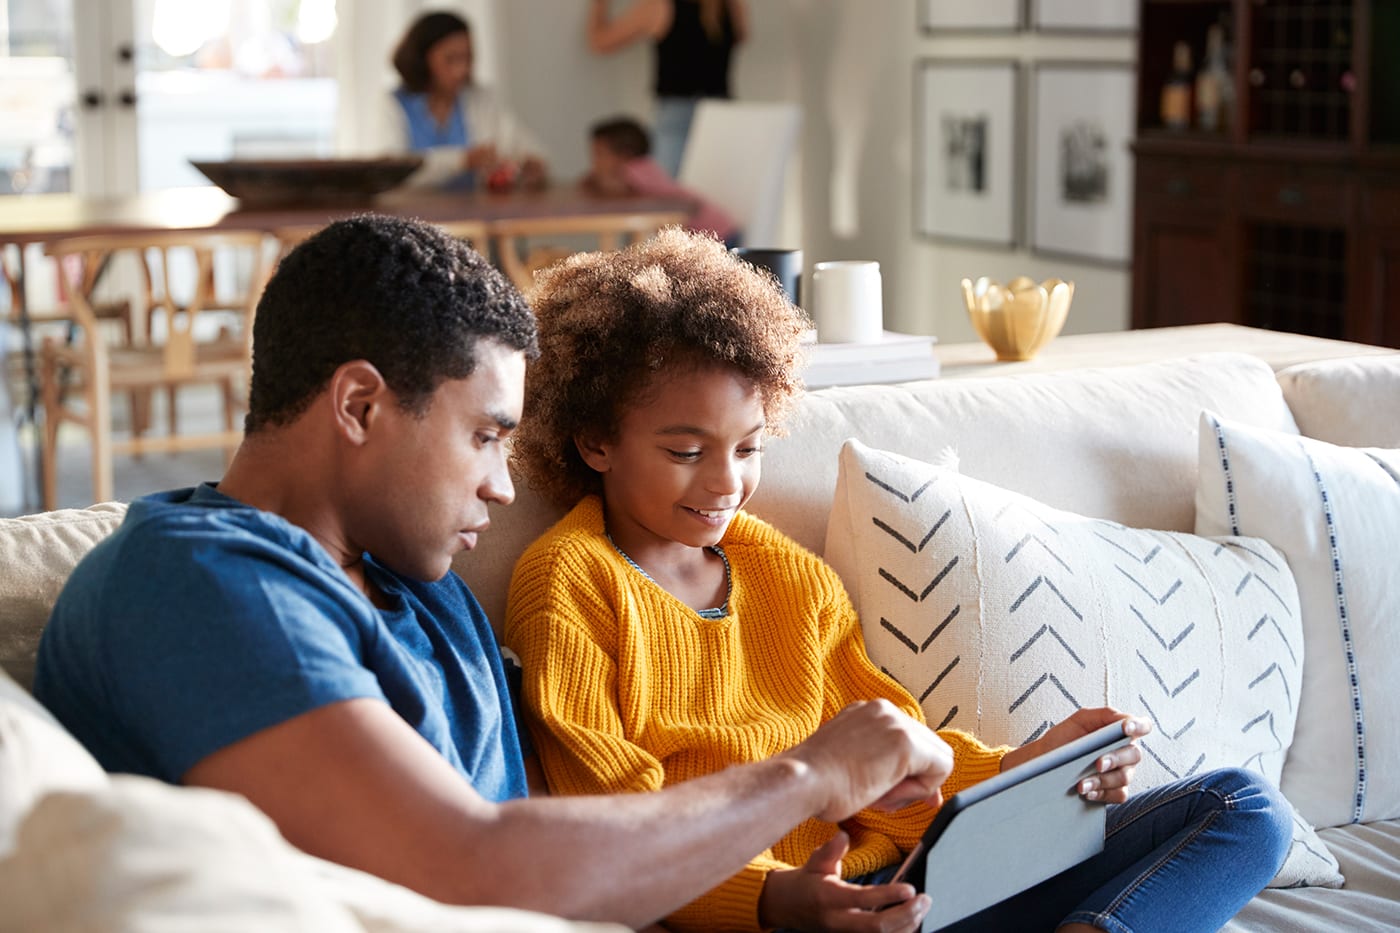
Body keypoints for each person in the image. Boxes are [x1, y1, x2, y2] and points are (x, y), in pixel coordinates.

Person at [31, 214, 963, 930]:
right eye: (485, 436)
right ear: (359, 404)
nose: (504, 483)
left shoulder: (417, 582)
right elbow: (467, 864)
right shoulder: (201, 584)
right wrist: (811, 774)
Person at [502, 228, 1294, 933]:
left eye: (748, 450)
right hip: (774, 908)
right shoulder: (570, 582)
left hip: (908, 886)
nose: (724, 482)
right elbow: (617, 831)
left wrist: (1031, 768)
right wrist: (776, 900)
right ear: (596, 440)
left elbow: (900, 772)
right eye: (685, 451)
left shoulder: (789, 575)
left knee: (1245, 810)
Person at [384, 11, 547, 190]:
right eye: (451, 59)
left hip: (471, 215)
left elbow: (523, 145)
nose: (461, 69)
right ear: (423, 59)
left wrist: (531, 163)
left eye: (467, 58)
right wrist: (461, 160)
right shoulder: (392, 105)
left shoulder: (479, 100)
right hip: (410, 215)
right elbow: (394, 170)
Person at [587, 0, 747, 177]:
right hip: (724, 116)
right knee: (720, 193)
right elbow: (742, 36)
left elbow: (600, 42)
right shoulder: (730, 5)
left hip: (677, 116)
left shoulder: (659, 7)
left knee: (668, 196)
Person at [584, 115, 739, 245]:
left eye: (599, 154)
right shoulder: (643, 169)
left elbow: (616, 188)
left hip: (717, 236)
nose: (594, 161)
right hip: (711, 234)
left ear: (624, 155)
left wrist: (596, 179)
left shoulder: (637, 169)